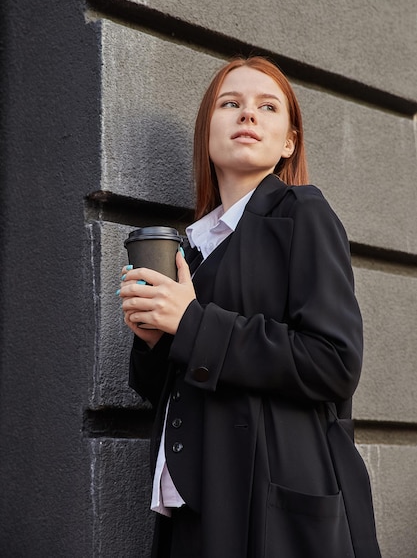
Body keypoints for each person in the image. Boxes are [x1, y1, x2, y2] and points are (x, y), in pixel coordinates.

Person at [117, 56, 381, 558]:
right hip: (194, 503)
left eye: (267, 106)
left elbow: (335, 361)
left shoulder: (302, 214)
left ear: (289, 142)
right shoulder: (190, 248)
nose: (248, 115)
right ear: (207, 134)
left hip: (270, 507)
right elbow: (179, 387)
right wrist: (153, 342)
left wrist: (191, 323)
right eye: (230, 103)